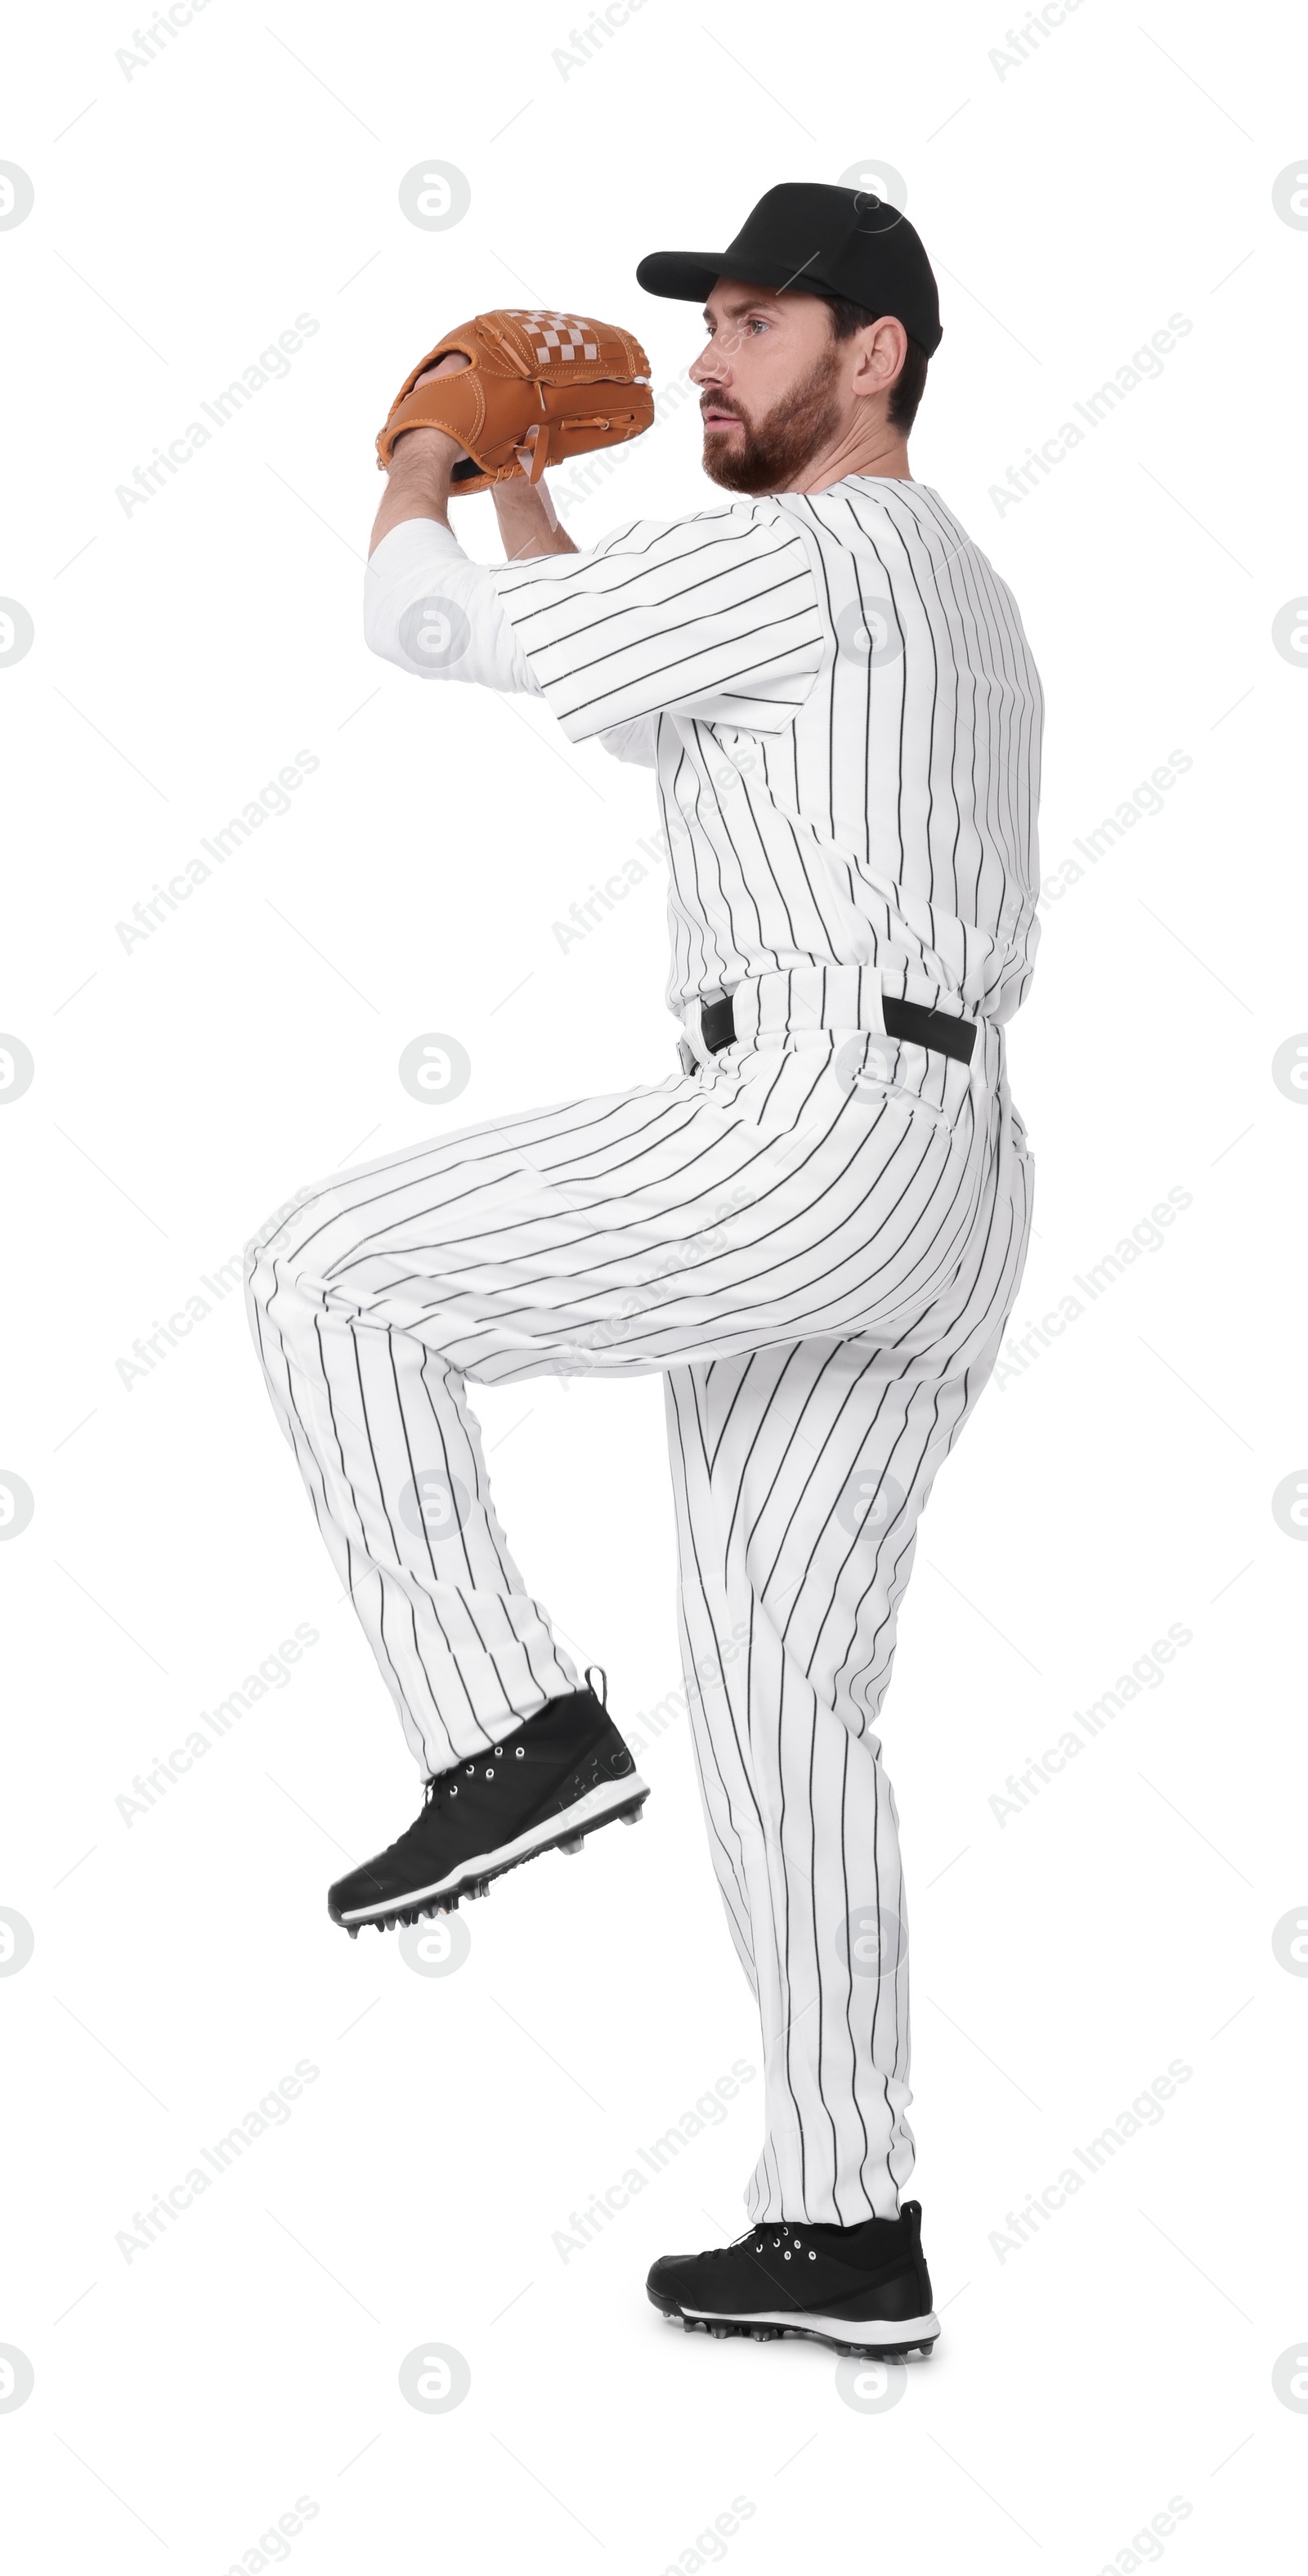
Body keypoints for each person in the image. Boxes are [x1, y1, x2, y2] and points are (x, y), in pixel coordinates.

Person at [244, 182, 1042, 2358]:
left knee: (328, 1274)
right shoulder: (945, 592)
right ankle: (844, 2219)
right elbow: (613, 698)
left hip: (803, 1128)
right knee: (793, 1716)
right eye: (712, 323)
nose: (704, 356)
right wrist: (527, 501)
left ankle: (503, 1718)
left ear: (872, 354)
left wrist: (426, 448)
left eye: (757, 322)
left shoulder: (803, 550)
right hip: (949, 1173)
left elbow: (422, 641)